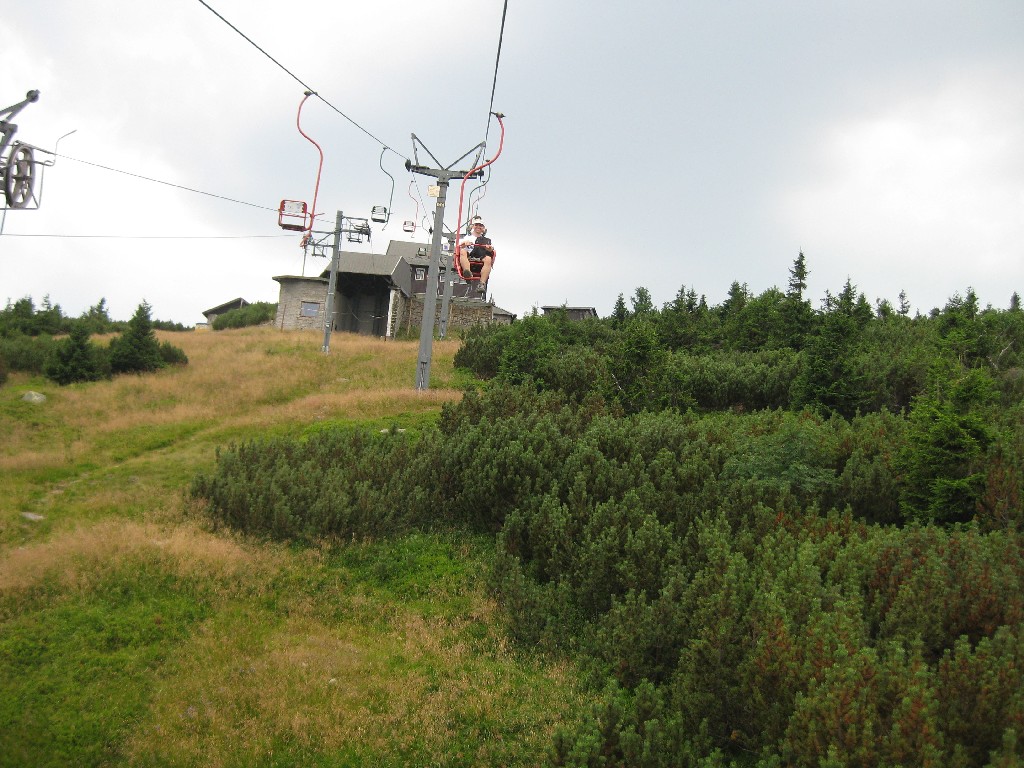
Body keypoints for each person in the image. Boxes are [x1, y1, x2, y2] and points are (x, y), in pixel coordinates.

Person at [458, 216, 494, 286]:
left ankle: (482, 284)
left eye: (480, 225)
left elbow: (491, 249)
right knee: (463, 251)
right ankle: (467, 272)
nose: (478, 227)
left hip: (480, 258)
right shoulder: (467, 238)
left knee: (488, 259)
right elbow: (460, 246)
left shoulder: (487, 240)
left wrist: (489, 248)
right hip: (469, 257)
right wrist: (465, 243)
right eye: (476, 225)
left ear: (483, 228)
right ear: (473, 226)